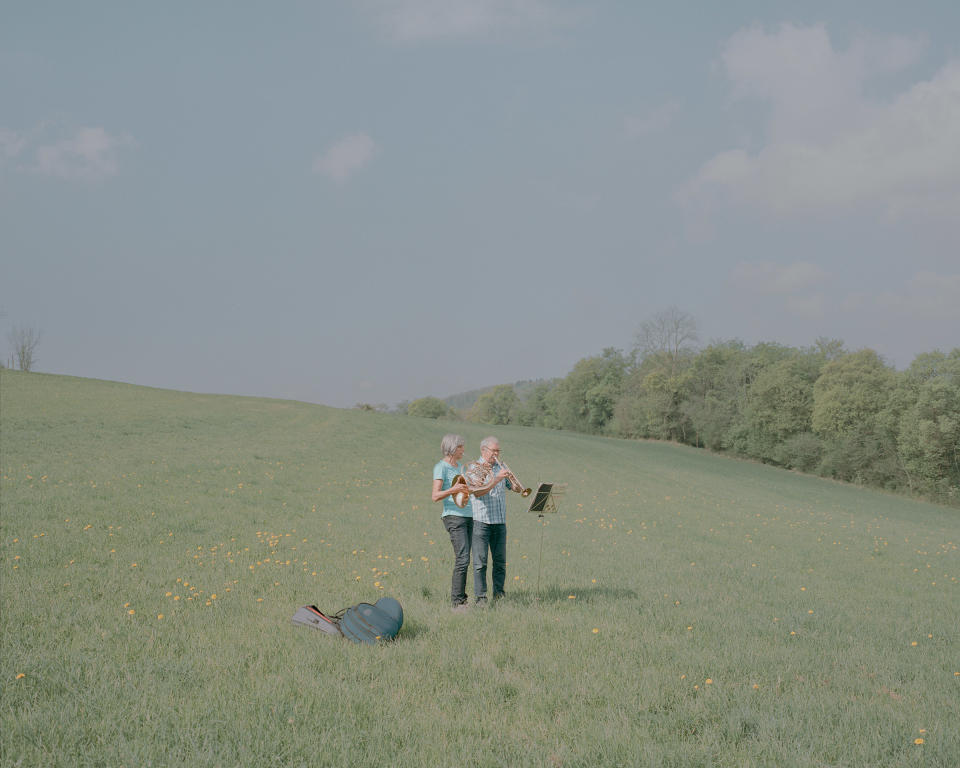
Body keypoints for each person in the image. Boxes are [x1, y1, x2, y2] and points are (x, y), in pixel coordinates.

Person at [468, 436, 520, 606]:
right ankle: (481, 598)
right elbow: (477, 492)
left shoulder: (500, 466)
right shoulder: (474, 468)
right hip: (481, 522)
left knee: (500, 562)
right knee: (480, 563)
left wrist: (515, 484)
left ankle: (499, 595)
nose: (496, 454)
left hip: (500, 522)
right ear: (484, 450)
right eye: (494, 451)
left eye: (498, 451)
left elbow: (513, 488)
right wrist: (497, 478)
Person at [431, 434, 473, 611]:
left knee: (467, 559)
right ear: (453, 449)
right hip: (453, 516)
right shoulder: (441, 467)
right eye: (461, 447)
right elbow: (435, 496)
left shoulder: (461, 468)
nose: (463, 450)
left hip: (469, 515)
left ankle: (463, 599)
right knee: (462, 558)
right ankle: (457, 602)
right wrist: (454, 489)